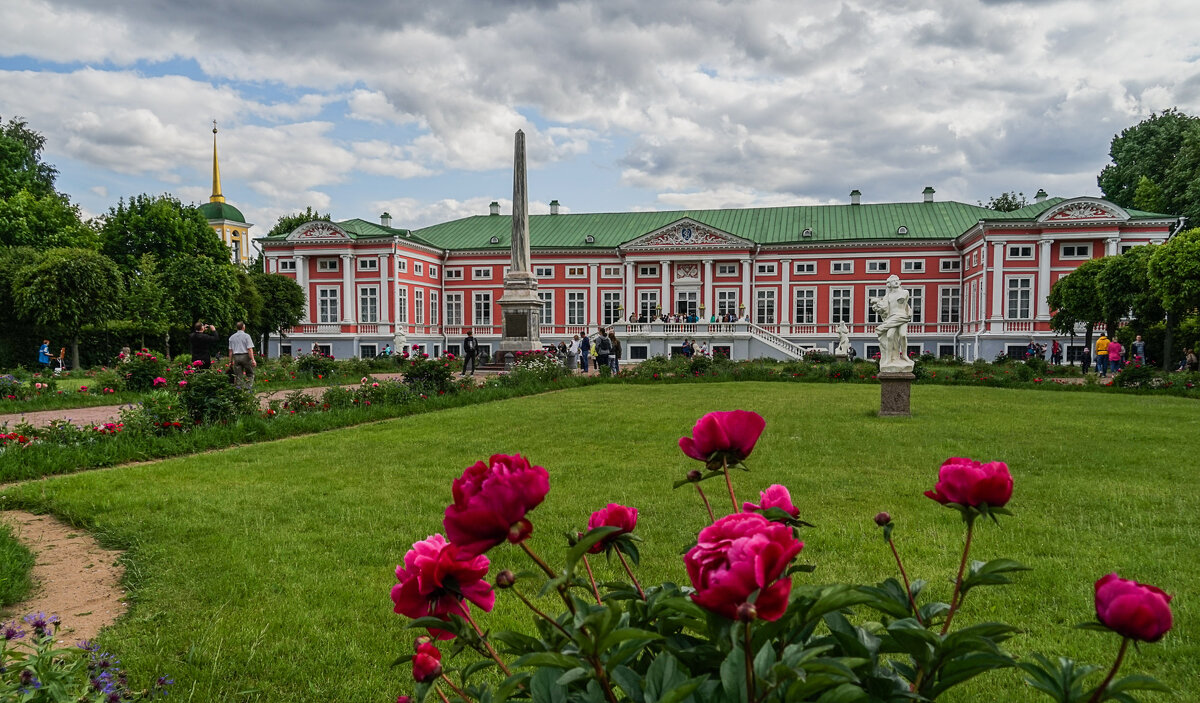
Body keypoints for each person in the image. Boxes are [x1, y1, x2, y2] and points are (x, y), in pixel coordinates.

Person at [871, 275, 914, 372]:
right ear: (889, 284)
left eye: (897, 280)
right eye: (893, 281)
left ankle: (904, 355)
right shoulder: (888, 296)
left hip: (902, 316)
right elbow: (884, 308)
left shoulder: (904, 292)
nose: (896, 282)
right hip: (892, 317)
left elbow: (901, 299)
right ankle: (888, 359)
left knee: (903, 335)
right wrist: (877, 303)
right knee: (890, 336)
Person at [228, 321, 256, 390]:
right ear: (243, 327)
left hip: (236, 357)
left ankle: (238, 390)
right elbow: (249, 349)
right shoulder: (247, 336)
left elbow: (230, 351)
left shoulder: (232, 337)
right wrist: (253, 360)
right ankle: (248, 388)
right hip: (245, 356)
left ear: (236, 328)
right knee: (250, 373)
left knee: (238, 375)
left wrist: (230, 361)